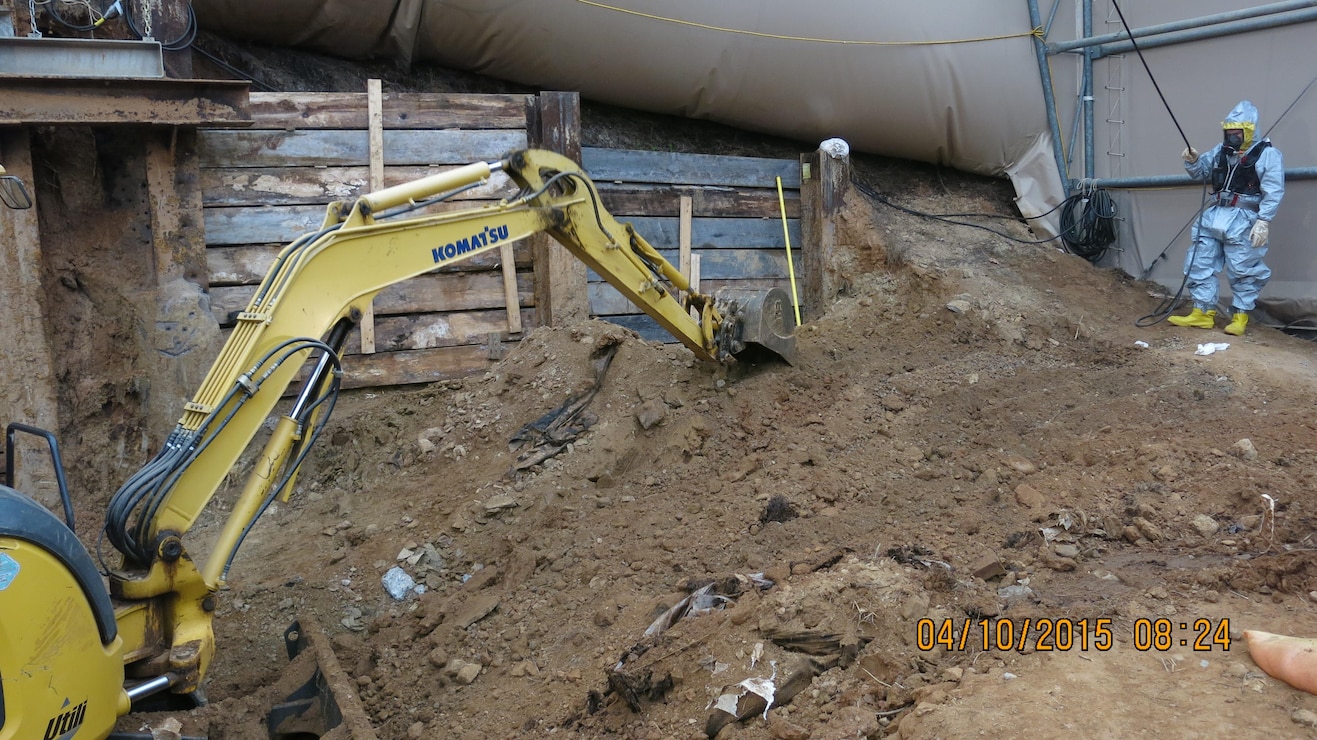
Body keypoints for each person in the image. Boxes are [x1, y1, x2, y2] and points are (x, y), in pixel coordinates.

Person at [1168, 100, 1284, 336]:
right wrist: (1192, 161)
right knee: (1199, 260)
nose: (1232, 137)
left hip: (1243, 219)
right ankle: (1202, 312)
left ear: (1249, 131)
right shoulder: (1220, 152)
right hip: (1214, 216)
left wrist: (1264, 221)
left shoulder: (1267, 155)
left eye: (1237, 133)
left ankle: (1240, 316)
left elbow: (1274, 190)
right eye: (1229, 132)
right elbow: (1201, 173)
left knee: (1244, 268)